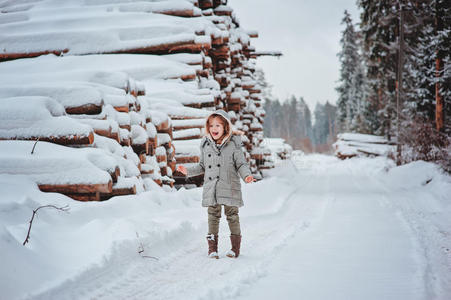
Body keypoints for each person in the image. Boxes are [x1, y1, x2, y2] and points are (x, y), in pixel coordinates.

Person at [177, 109, 255, 259]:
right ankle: (212, 249)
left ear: (226, 127)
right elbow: (202, 166)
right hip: (212, 188)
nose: (214, 128)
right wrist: (187, 171)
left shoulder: (233, 145)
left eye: (218, 125)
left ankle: (235, 249)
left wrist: (247, 176)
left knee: (232, 216)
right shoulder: (206, 145)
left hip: (230, 186)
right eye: (211, 125)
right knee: (212, 216)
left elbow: (241, 164)